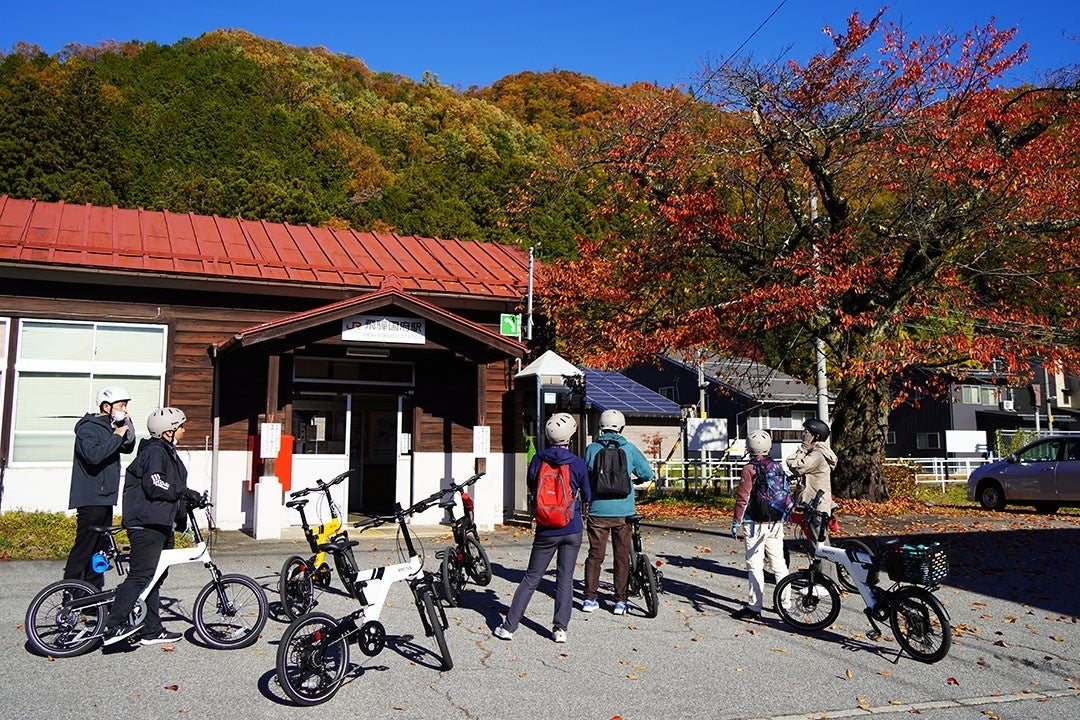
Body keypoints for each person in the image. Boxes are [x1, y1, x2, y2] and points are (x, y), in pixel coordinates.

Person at [102, 408, 203, 647]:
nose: (184, 430)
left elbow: (171, 485)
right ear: (169, 432)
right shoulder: (156, 451)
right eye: (181, 427)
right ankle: (114, 626)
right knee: (141, 574)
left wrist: (187, 501)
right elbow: (155, 484)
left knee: (154, 577)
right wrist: (183, 492)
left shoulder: (166, 451)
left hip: (160, 522)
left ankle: (151, 630)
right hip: (146, 523)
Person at [494, 412, 590, 643]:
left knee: (531, 578)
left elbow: (532, 484)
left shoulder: (538, 459)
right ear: (571, 435)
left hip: (546, 528)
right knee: (565, 580)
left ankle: (509, 627)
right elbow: (587, 494)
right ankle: (560, 629)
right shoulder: (577, 463)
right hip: (571, 526)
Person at [581, 409, 655, 616]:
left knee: (595, 556)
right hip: (624, 511)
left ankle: (589, 598)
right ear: (621, 427)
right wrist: (635, 481)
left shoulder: (592, 449)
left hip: (597, 511)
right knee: (622, 557)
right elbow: (647, 474)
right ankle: (620, 601)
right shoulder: (629, 449)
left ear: (600, 427)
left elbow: (586, 476)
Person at [63, 386, 136, 590]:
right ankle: (69, 595)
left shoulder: (111, 427)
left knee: (99, 552)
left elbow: (129, 446)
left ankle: (93, 597)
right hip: (90, 499)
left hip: (105, 498)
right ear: (106, 406)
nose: (125, 409)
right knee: (84, 549)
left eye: (126, 405)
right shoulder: (88, 428)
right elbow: (93, 456)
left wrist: (125, 424)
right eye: (121, 405)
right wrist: (116, 436)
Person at [730, 429, 790, 621]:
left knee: (755, 565)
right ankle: (784, 604)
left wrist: (736, 521)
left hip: (754, 523)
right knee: (779, 563)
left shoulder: (749, 469)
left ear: (749, 446)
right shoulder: (777, 466)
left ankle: (755, 607)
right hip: (775, 521)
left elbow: (743, 497)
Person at [785, 418, 837, 515]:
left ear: (817, 436)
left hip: (817, 506)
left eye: (806, 432)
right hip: (812, 504)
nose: (803, 434)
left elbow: (796, 467)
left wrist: (802, 450)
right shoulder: (814, 452)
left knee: (816, 530)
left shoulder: (817, 455)